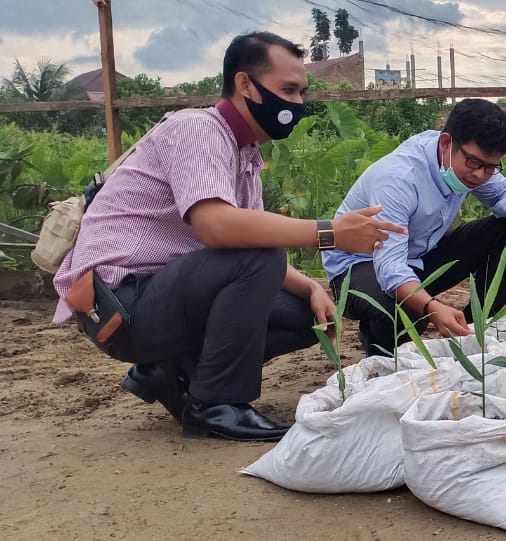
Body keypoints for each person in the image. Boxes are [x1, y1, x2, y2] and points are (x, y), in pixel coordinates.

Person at [52, 32, 405, 441]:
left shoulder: (244, 155)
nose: (296, 103)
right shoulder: (198, 130)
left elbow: (241, 239)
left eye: (301, 92)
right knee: (261, 256)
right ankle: (216, 405)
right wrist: (329, 232)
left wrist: (311, 286)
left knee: (304, 313)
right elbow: (217, 228)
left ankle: (169, 372)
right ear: (244, 85)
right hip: (121, 306)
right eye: (287, 90)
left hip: (158, 297)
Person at [323, 98, 506, 357]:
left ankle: (472, 333)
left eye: (491, 167)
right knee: (407, 311)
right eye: (474, 163)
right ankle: (382, 359)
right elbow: (390, 266)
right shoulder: (399, 179)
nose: (480, 175)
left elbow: (504, 191)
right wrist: (431, 307)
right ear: (447, 143)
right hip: (360, 265)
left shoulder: (465, 163)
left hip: (419, 255)